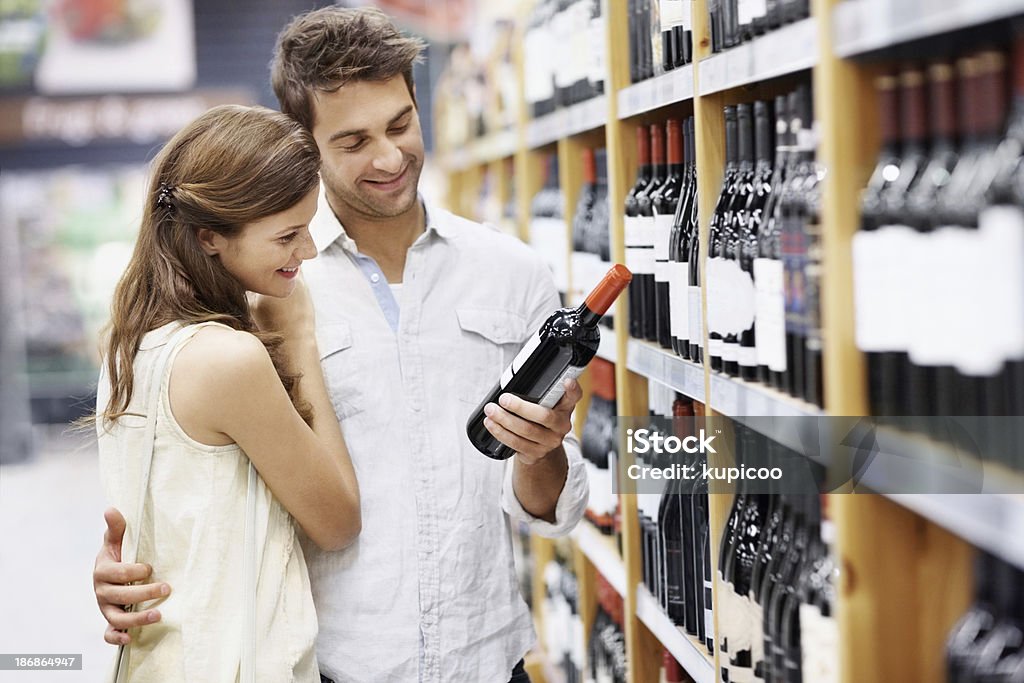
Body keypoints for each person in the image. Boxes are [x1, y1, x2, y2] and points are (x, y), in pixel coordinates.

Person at [94, 8, 589, 682]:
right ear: (305, 143)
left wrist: (543, 448)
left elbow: (549, 509)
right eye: (353, 141)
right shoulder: (262, 282)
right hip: (328, 666)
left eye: (400, 124)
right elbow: (204, 483)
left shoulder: (513, 272)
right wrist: (132, 568)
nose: (389, 157)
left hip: (488, 659)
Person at [93, 104, 360, 681]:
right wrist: (297, 337)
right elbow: (338, 520)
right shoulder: (227, 358)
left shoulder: (128, 344)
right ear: (209, 237)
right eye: (288, 235)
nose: (308, 251)